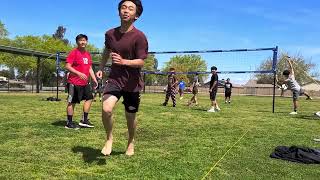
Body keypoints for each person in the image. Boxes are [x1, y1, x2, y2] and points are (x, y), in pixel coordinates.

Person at [96, 0, 148, 156]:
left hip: (132, 83)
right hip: (115, 79)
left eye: (130, 9)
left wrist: (125, 61)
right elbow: (107, 50)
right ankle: (109, 139)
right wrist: (100, 67)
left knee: (130, 117)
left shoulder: (140, 37)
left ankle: (131, 141)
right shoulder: (110, 34)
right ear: (119, 12)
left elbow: (141, 62)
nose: (126, 11)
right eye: (123, 7)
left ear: (136, 15)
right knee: (106, 109)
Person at [65, 34, 98, 129]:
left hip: (85, 83)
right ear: (77, 42)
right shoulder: (74, 53)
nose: (83, 42)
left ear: (87, 42)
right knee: (72, 102)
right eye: (80, 40)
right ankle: (69, 123)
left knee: (89, 98)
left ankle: (84, 120)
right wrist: (78, 73)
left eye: (84, 40)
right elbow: (67, 66)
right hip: (74, 82)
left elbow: (90, 68)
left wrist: (94, 79)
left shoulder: (87, 54)